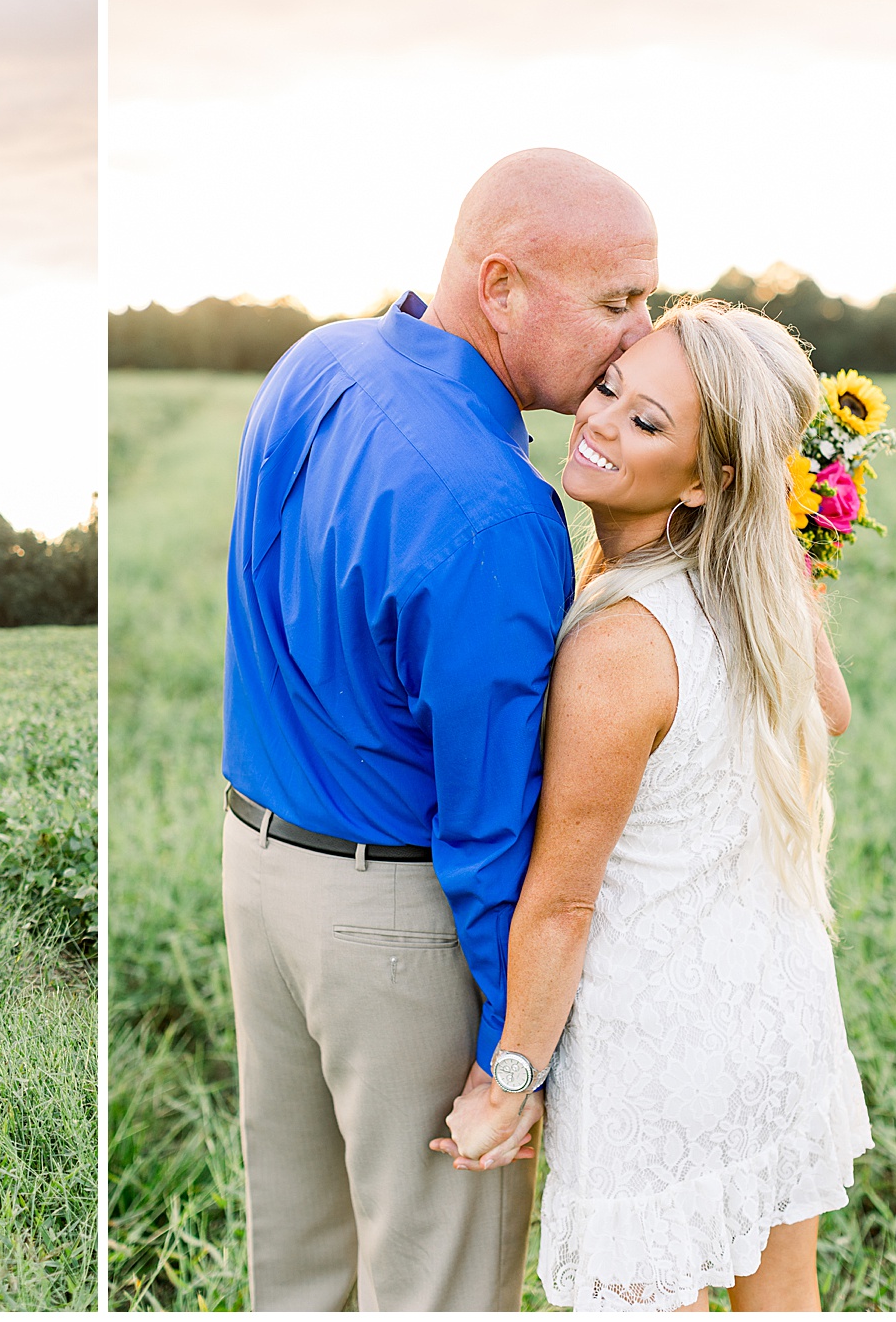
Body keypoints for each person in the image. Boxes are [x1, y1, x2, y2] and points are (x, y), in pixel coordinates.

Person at [219, 147, 658, 1310]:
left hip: (256, 872)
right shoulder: (499, 512)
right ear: (500, 285)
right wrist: (516, 1054)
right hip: (397, 924)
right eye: (617, 299)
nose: (641, 331)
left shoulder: (318, 359)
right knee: (439, 1286)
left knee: (298, 1272)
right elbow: (489, 826)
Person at [433, 301, 872, 1311]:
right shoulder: (750, 588)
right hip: (777, 1011)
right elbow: (833, 709)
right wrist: (775, 541)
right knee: (785, 1297)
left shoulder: (620, 644)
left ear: (707, 481)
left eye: (647, 422)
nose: (599, 419)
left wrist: (510, 1079)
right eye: (609, 387)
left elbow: (563, 902)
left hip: (661, 1057)